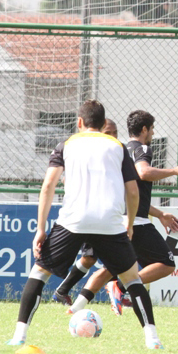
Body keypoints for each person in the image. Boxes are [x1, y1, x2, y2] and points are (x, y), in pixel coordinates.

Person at [6, 100, 163, 349]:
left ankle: (19, 335)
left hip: (72, 221)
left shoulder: (66, 145)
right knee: (133, 280)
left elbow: (48, 186)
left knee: (39, 273)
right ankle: (152, 339)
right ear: (103, 125)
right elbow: (133, 192)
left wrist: (41, 228)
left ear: (80, 122)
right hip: (109, 223)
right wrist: (130, 224)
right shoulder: (118, 147)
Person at [68, 110, 178, 316]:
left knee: (109, 269)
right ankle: (122, 287)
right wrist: (174, 171)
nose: (152, 132)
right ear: (144, 129)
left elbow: (131, 192)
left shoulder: (119, 149)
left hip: (115, 218)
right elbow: (144, 172)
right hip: (136, 222)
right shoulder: (142, 148)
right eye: (151, 129)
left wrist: (159, 214)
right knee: (167, 264)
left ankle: (75, 308)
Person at [51, 118, 119, 305]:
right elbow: (64, 179)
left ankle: (62, 291)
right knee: (103, 258)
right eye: (108, 133)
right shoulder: (89, 151)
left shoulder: (116, 152)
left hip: (106, 214)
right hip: (90, 213)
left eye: (115, 133)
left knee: (94, 258)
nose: (113, 137)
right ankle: (120, 294)